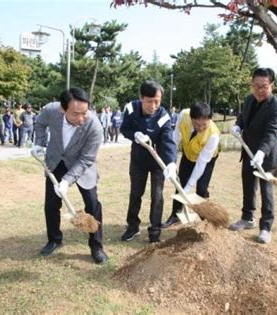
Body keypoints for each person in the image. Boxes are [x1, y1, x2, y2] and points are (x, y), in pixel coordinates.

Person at [31, 87, 107, 264]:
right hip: (55, 162)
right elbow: (40, 123)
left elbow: (87, 159)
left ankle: (96, 246)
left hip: (81, 165)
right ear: (63, 109)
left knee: (92, 203)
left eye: (85, 113)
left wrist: (66, 181)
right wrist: (39, 143)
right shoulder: (51, 110)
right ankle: (54, 239)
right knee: (51, 204)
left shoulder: (94, 126)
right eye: (75, 114)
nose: (81, 119)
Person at [229, 67, 277, 244]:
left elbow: (271, 133)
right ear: (252, 85)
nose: (260, 90)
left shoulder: (276, 107)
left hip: (265, 156)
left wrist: (261, 152)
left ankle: (266, 227)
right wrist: (238, 126)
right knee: (248, 186)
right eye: (256, 86)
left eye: (264, 86)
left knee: (266, 191)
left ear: (272, 86)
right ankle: (247, 218)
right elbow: (242, 117)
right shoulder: (248, 100)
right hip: (248, 152)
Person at [120, 80, 177, 243]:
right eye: (149, 101)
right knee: (136, 193)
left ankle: (155, 232)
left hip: (157, 161)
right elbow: (125, 128)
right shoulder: (131, 109)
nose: (153, 106)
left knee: (157, 196)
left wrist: (171, 162)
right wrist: (135, 135)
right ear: (141, 98)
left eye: (157, 101)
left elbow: (167, 140)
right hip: (138, 159)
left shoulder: (163, 115)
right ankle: (132, 227)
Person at [162, 101, 221, 228]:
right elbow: (175, 138)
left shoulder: (213, 135)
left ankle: (204, 219)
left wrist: (188, 188)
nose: (200, 128)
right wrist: (171, 162)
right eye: (197, 124)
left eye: (204, 125)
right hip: (188, 154)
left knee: (201, 188)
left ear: (210, 120)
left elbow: (201, 163)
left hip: (207, 160)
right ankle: (175, 214)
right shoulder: (184, 115)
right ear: (191, 118)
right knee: (180, 184)